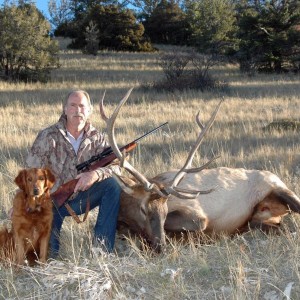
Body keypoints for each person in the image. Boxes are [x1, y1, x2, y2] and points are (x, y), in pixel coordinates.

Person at [25, 90, 121, 258]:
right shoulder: (48, 136)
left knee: (112, 186)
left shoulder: (97, 138)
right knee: (47, 259)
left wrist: (95, 175)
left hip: (82, 199)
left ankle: (102, 250)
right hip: (52, 202)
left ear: (90, 110)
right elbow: (31, 173)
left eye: (82, 106)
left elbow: (117, 165)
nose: (78, 110)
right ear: (65, 109)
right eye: (73, 106)